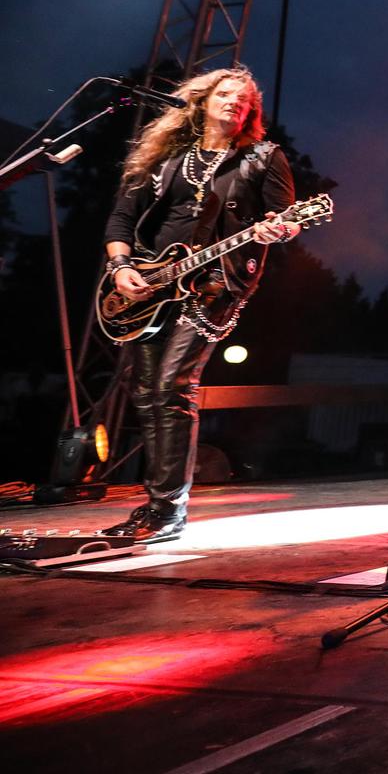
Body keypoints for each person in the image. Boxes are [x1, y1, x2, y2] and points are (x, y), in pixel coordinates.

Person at [102, 67, 297, 543]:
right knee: (145, 390)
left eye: (244, 99)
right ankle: (156, 505)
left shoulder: (263, 157)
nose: (234, 102)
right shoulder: (165, 156)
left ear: (251, 112)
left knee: (173, 384)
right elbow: (122, 218)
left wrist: (278, 228)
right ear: (202, 101)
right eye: (225, 94)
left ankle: (168, 509)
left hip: (216, 281)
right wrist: (121, 267)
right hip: (152, 282)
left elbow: (288, 219)